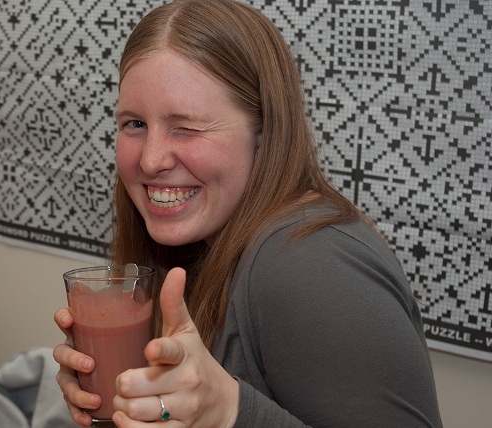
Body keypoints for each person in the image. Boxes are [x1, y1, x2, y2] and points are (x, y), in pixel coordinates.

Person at [53, 0, 443, 426]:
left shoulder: (311, 263)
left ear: (264, 133)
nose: (150, 160)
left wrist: (229, 411)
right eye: (135, 124)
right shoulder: (199, 244)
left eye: (186, 127)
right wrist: (131, 397)